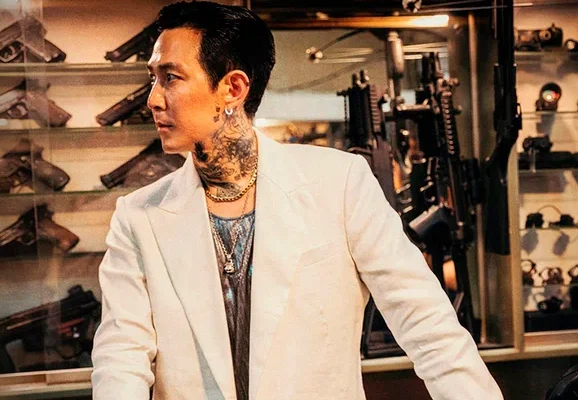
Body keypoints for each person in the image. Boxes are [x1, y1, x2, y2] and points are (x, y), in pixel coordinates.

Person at [91, 1, 504, 399]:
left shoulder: (338, 184)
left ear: (232, 88)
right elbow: (122, 356)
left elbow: (426, 322)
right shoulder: (139, 216)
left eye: (170, 78)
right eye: (153, 78)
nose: (153, 99)